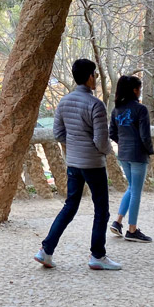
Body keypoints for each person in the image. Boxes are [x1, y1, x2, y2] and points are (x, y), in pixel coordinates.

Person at [34, 58, 122, 271]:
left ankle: (46, 250)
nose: (97, 79)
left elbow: (58, 133)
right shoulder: (96, 105)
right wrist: (107, 152)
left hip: (73, 163)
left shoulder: (64, 102)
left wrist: (74, 146)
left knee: (70, 206)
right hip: (93, 164)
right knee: (101, 209)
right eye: (96, 75)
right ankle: (97, 256)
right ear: (90, 76)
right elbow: (101, 141)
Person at [109, 75, 154, 243]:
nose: (140, 92)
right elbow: (145, 135)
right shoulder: (140, 109)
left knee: (131, 187)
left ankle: (118, 222)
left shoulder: (116, 110)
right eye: (139, 89)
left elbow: (112, 133)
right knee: (136, 191)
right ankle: (132, 230)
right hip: (138, 155)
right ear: (135, 90)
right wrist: (149, 151)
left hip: (123, 154)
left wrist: (124, 143)